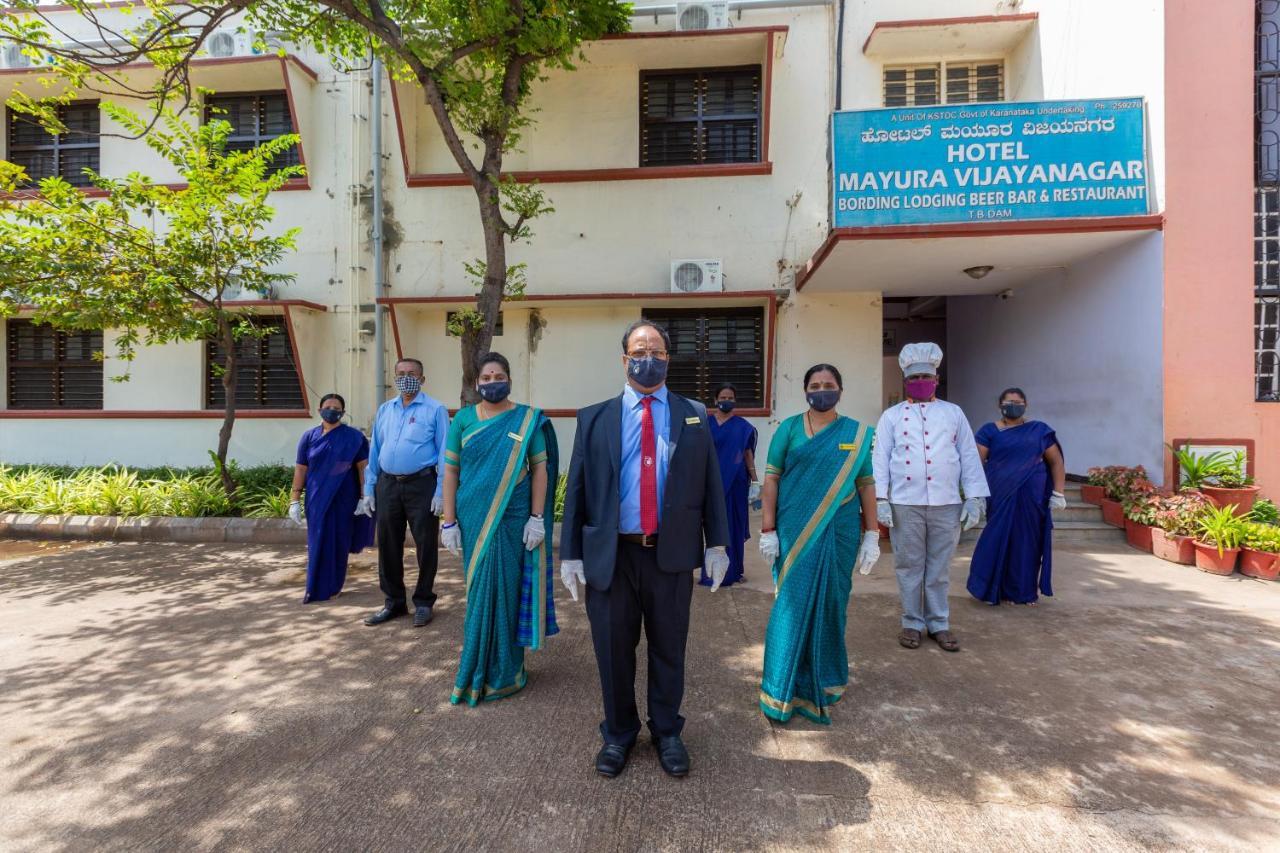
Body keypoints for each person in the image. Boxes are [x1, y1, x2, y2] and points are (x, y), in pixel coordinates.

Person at [560, 320, 730, 779]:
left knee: (669, 647)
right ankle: (618, 733)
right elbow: (577, 487)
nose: (647, 357)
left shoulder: (693, 413)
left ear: (668, 358)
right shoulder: (593, 417)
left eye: (655, 349)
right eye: (639, 350)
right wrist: (570, 552)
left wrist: (717, 542)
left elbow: (710, 482)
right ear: (624, 360)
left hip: (670, 555)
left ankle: (668, 731)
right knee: (613, 650)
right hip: (612, 557)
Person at [757, 364, 880, 725]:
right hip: (795, 528)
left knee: (832, 602)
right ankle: (780, 688)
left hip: (840, 529)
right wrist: (768, 530)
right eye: (815, 385)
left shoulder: (855, 434)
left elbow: (866, 483)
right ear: (805, 390)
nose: (821, 390)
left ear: (840, 390)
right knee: (790, 606)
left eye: (828, 385)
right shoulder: (789, 429)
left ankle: (824, 681)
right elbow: (771, 479)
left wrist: (872, 532)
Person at [440, 352, 560, 705]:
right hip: (474, 516)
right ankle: (474, 668)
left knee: (506, 591)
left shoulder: (527, 419)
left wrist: (537, 518)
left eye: (499, 376)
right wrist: (448, 521)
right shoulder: (462, 419)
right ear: (477, 383)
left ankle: (507, 672)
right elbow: (450, 471)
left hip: (513, 519)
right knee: (479, 593)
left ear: (509, 379)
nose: (493, 382)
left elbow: (540, 469)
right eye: (487, 378)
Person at [873, 343, 989, 653]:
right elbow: (880, 458)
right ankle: (912, 621)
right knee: (909, 566)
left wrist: (975, 496)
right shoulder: (892, 416)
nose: (920, 382)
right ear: (905, 381)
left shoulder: (953, 413)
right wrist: (881, 499)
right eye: (914, 378)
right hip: (905, 502)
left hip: (946, 502)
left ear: (936, 379)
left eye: (926, 376)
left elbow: (967, 454)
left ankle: (939, 622)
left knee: (938, 567)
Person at [360, 357, 450, 628]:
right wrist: (369, 488)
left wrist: (440, 492)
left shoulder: (436, 410)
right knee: (387, 543)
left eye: (412, 373)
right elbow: (374, 449)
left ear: (422, 379)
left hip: (421, 484)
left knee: (425, 545)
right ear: (395, 377)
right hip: (387, 484)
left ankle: (423, 601)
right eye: (401, 373)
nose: (406, 378)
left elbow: (445, 452)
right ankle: (394, 602)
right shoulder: (385, 409)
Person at [966, 388, 1067, 606]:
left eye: (1018, 401)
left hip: (1032, 498)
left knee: (1026, 544)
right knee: (995, 540)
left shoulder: (1039, 430)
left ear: (1026, 405)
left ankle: (1023, 592)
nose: (1014, 405)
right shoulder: (989, 431)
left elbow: (1056, 461)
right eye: (1009, 401)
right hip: (1000, 495)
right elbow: (975, 463)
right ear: (1000, 405)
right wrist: (976, 495)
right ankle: (991, 589)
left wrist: (1058, 493)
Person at [288, 393, 374, 603]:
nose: (332, 411)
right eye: (328, 407)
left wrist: (364, 497)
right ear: (319, 410)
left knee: (338, 541)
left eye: (337, 408)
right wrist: (294, 500)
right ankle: (315, 587)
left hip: (344, 498)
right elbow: (301, 469)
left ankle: (334, 585)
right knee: (317, 540)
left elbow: (363, 467)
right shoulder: (309, 437)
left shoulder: (354, 437)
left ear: (343, 412)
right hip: (317, 499)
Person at [704, 382, 758, 588]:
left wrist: (755, 481)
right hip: (711, 484)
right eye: (723, 398)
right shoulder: (705, 424)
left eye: (730, 398)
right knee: (714, 526)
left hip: (736, 484)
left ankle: (734, 571)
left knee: (734, 526)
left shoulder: (743, 427)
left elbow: (747, 455)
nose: (726, 401)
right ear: (715, 400)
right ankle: (710, 573)